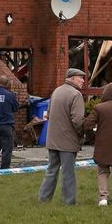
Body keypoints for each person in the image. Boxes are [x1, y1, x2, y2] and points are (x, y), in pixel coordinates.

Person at [38, 68, 86, 205]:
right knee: (68, 172)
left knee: (51, 170)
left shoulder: (56, 91)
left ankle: (43, 199)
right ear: (72, 78)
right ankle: (69, 202)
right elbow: (77, 120)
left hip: (52, 139)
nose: (83, 80)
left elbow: (48, 113)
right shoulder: (76, 95)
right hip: (68, 140)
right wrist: (82, 134)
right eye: (80, 77)